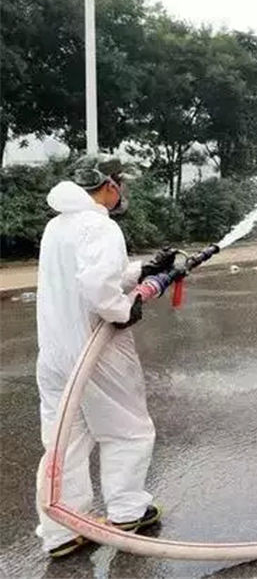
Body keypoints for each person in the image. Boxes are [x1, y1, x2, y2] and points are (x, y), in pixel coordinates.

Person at [34, 155, 175, 558]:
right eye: (120, 183)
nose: (121, 191)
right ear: (109, 185)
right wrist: (122, 309)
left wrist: (141, 270)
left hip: (57, 354)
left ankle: (62, 530)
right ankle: (128, 511)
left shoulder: (57, 226)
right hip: (97, 351)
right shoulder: (101, 225)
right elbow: (98, 287)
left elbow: (86, 276)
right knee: (127, 430)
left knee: (65, 440)